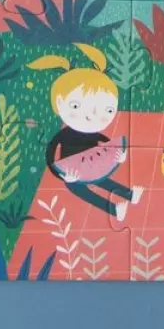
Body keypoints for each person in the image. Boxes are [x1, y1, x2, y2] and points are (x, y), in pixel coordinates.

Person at [29, 45, 143, 220]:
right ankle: (116, 208)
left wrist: (118, 156)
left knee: (100, 179)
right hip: (72, 173)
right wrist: (61, 174)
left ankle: (128, 196)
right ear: (59, 102)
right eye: (76, 105)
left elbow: (107, 143)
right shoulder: (64, 134)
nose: (91, 115)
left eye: (107, 109)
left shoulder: (93, 133)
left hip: (95, 166)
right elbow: (50, 152)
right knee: (80, 187)